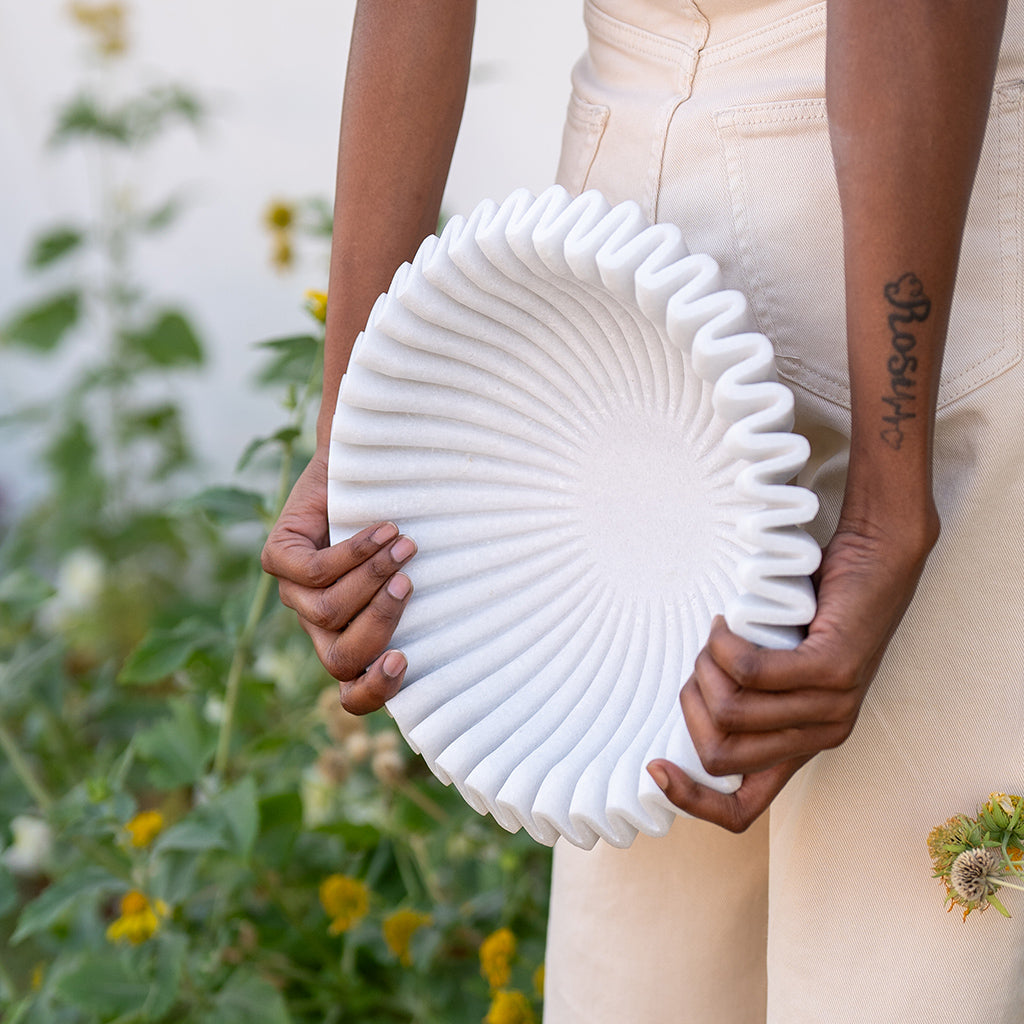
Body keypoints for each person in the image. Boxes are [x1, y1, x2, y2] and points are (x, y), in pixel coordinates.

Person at [261, 1, 1023, 1020]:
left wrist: (357, 416)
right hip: (898, 190)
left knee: (655, 971)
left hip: (629, 228)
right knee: (900, 956)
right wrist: (890, 502)